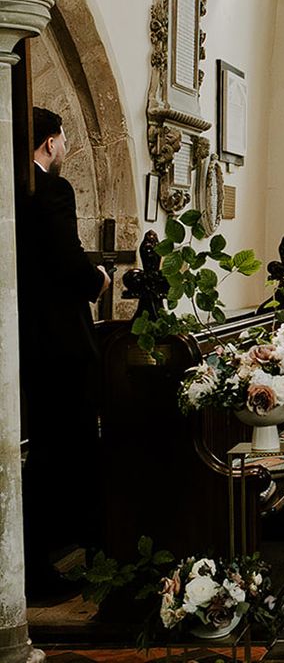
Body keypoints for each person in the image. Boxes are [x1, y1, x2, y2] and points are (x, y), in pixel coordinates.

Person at [19, 107, 109, 597]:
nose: (65, 147)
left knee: (50, 450)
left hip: (27, 341)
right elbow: (64, 256)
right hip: (58, 344)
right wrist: (97, 279)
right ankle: (43, 568)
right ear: (49, 143)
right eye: (63, 138)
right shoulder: (49, 190)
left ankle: (54, 555)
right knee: (62, 451)